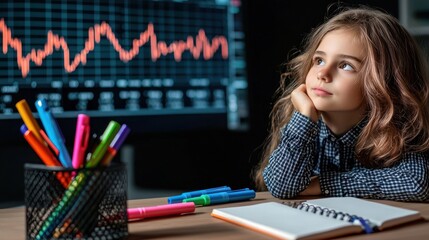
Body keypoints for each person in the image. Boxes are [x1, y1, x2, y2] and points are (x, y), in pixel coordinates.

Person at [253, 6, 429, 202]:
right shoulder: (304, 124)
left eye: (345, 65)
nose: (322, 73)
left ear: (385, 82)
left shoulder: (397, 128)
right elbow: (282, 186)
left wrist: (322, 184)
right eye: (319, 60)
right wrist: (304, 118)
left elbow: (416, 183)